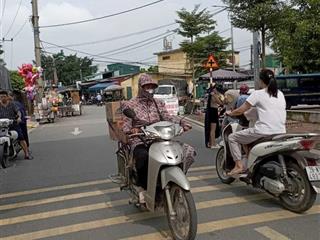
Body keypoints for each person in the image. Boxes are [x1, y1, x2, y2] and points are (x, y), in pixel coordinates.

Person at [122, 74, 194, 190]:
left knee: (188, 151)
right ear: (140, 87)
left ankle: (174, 179)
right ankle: (144, 188)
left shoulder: (158, 103)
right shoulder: (130, 104)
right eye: (146, 86)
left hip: (160, 139)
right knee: (143, 157)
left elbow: (168, 117)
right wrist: (132, 130)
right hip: (140, 140)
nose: (150, 89)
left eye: (152, 86)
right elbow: (125, 126)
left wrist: (182, 123)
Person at [226, 69, 286, 175]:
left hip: (263, 131)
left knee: (232, 138)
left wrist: (230, 113)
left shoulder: (257, 94)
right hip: (280, 131)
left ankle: (239, 165)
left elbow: (241, 110)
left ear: (261, 81)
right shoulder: (280, 94)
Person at [0, 90, 32, 160]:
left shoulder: (12, 104)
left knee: (21, 137)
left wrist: (19, 118)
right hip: (2, 126)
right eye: (1, 97)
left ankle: (26, 154)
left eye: (4, 96)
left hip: (13, 124)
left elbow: (18, 112)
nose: (3, 98)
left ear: (7, 97)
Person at [204, 83, 224, 148]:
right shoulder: (213, 95)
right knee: (213, 129)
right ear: (214, 89)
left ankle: (211, 143)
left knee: (211, 129)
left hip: (212, 111)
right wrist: (218, 96)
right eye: (216, 89)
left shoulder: (212, 95)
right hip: (213, 112)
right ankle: (213, 144)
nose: (217, 90)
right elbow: (220, 103)